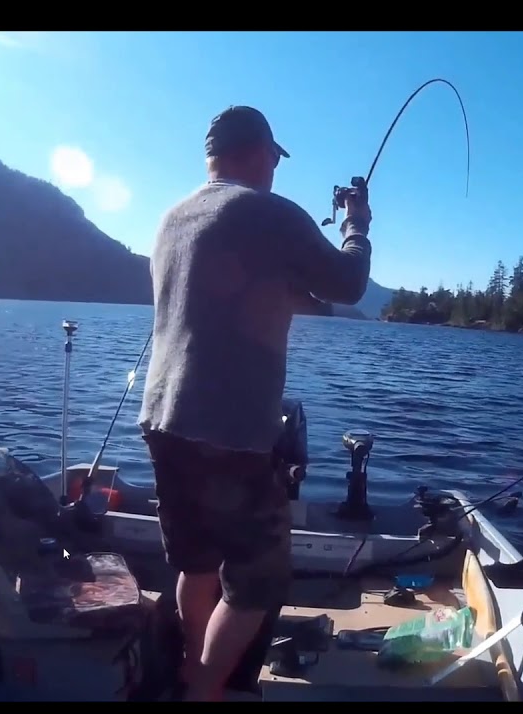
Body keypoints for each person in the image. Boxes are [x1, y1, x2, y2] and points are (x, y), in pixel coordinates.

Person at [138, 105, 372, 701]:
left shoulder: (172, 218)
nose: (275, 168)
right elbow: (347, 284)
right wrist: (356, 224)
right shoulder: (271, 212)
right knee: (256, 586)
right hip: (232, 432)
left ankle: (192, 667)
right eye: (274, 156)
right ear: (260, 151)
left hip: (163, 419)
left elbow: (229, 293)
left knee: (195, 564)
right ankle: (203, 691)